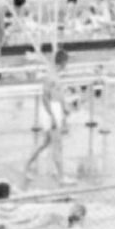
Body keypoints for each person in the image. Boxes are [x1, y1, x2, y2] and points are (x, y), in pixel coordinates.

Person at [24, 49, 75, 187]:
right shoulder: (51, 76)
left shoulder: (56, 75)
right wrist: (53, 116)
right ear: (63, 63)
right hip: (50, 110)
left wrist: (64, 109)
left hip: (55, 109)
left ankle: (27, 165)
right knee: (57, 146)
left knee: (45, 143)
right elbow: (45, 98)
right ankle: (61, 177)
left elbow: (58, 95)